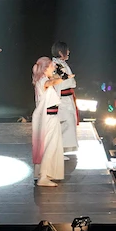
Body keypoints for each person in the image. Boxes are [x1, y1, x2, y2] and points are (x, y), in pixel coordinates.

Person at [32, 57, 70, 186]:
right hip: (49, 117)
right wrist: (64, 77)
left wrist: (60, 73)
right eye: (51, 66)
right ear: (45, 68)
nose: (53, 68)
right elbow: (52, 82)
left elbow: (54, 79)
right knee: (49, 146)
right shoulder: (43, 80)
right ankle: (43, 176)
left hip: (49, 117)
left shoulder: (42, 79)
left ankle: (42, 174)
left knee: (48, 146)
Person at [51, 41, 79, 153]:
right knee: (64, 124)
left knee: (69, 123)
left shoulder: (62, 64)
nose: (68, 52)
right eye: (66, 50)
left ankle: (62, 150)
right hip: (62, 100)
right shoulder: (56, 65)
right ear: (60, 52)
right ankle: (58, 151)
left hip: (67, 98)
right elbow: (61, 83)